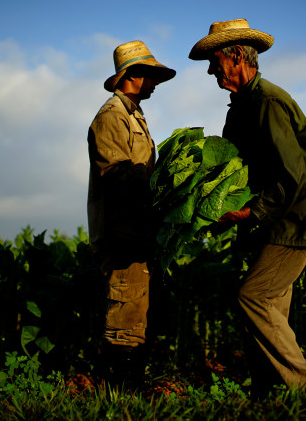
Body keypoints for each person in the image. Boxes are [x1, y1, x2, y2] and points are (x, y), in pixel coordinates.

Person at [189, 19, 306, 397]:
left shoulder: (267, 102)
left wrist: (250, 213)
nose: (210, 70)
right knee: (269, 313)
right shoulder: (242, 107)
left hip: (290, 225)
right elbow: (238, 173)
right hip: (270, 227)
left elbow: (290, 177)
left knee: (254, 298)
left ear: (235, 57)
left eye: (214, 60)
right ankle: (269, 394)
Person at [87, 40, 175, 388]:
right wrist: (163, 189)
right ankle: (119, 397)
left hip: (138, 235)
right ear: (133, 76)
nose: (154, 83)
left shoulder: (133, 114)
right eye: (150, 76)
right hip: (122, 237)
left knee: (137, 315)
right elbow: (119, 176)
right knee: (125, 318)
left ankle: (130, 394)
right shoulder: (111, 116)